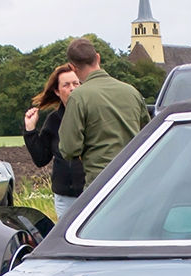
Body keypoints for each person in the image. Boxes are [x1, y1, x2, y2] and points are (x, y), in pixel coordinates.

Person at [57, 37, 149, 189]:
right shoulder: (132, 92)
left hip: (100, 184)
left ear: (73, 68)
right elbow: (146, 133)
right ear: (98, 57)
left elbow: (69, 148)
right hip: (135, 180)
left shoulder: (78, 97)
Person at [23, 64, 85, 219]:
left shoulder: (92, 115)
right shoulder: (54, 120)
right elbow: (41, 158)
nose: (72, 88)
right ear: (57, 91)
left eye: (76, 83)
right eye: (66, 85)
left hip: (91, 192)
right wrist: (30, 131)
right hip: (64, 197)